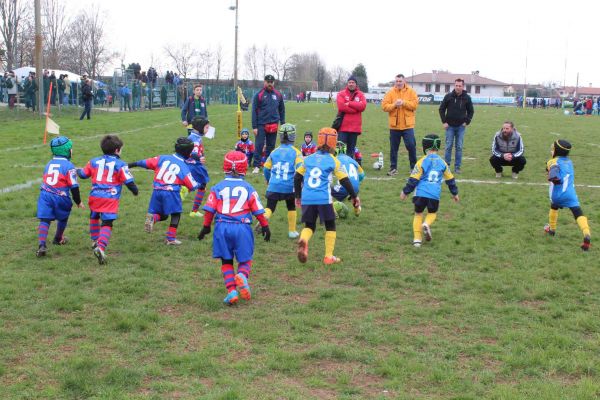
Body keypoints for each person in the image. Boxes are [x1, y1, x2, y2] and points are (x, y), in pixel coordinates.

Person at [197, 150, 271, 305]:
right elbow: (258, 210)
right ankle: (243, 276)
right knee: (245, 259)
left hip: (222, 226)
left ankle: (231, 291)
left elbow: (210, 210)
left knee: (226, 261)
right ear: (244, 167)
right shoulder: (249, 188)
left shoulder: (217, 187)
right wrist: (265, 226)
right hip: (242, 226)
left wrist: (205, 227)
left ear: (225, 166)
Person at [293, 128, 361, 265]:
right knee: (330, 226)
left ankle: (304, 240)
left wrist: (298, 197)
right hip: (323, 198)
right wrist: (354, 196)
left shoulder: (308, 159)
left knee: (309, 226)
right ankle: (328, 257)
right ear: (333, 143)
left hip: (307, 197)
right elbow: (345, 181)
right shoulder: (333, 160)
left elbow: (297, 177)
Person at [77, 135, 138, 264]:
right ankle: (101, 247)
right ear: (117, 150)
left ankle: (94, 241)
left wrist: (76, 170)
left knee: (94, 216)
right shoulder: (120, 164)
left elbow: (83, 175)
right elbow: (129, 180)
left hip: (95, 196)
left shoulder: (93, 161)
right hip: (109, 198)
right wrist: (134, 190)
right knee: (107, 223)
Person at [128, 138, 199, 245]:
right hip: (171, 192)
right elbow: (192, 185)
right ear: (189, 153)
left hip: (157, 191)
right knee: (176, 214)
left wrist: (130, 164)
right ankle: (170, 238)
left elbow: (145, 162)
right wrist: (199, 184)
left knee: (164, 215)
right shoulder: (183, 166)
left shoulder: (162, 158)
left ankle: (153, 218)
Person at [400, 134, 459, 247]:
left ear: (424, 146)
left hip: (420, 193)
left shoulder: (422, 161)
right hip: (434, 194)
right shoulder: (443, 163)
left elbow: (413, 179)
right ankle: (426, 223)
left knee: (418, 214)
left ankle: (417, 239)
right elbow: (450, 179)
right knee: (432, 213)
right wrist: (455, 193)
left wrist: (405, 192)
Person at [35, 136, 84, 257]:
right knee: (63, 217)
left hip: (45, 195)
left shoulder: (49, 164)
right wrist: (78, 201)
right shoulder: (69, 166)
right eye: (71, 148)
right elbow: (74, 186)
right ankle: (58, 238)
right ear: (67, 151)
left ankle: (42, 245)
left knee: (45, 219)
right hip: (61, 196)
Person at [544, 140, 591, 251]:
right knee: (578, 213)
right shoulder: (570, 162)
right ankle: (586, 234)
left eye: (553, 148)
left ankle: (552, 230)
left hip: (558, 194)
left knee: (554, 206)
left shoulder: (552, 161)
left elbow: (550, 170)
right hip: (571, 194)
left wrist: (552, 172)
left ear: (556, 150)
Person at [261, 123, 304, 239]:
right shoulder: (296, 152)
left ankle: (264, 218)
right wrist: (301, 183)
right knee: (291, 207)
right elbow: (300, 169)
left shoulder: (274, 152)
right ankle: (292, 231)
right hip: (289, 187)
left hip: (274, 185)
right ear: (293, 136)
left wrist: (268, 179)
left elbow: (266, 168)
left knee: (270, 207)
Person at [381, 74, 419, 175]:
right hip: (394, 126)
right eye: (397, 81)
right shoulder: (390, 92)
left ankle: (413, 168)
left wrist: (404, 103)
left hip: (408, 126)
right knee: (393, 148)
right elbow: (384, 106)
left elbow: (415, 105)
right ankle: (393, 168)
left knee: (411, 146)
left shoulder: (411, 92)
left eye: (400, 81)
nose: (398, 83)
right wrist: (394, 105)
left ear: (404, 81)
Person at [251, 74, 285, 173]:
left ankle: (268, 164)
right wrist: (254, 126)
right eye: (268, 82)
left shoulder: (278, 95)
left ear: (273, 83)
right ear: (264, 82)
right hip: (261, 124)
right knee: (259, 145)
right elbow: (254, 111)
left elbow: (282, 109)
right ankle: (256, 165)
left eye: (271, 82)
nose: (270, 84)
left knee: (271, 145)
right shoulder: (259, 95)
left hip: (274, 124)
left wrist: (282, 122)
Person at [439, 78, 474, 174]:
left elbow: (471, 111)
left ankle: (457, 167)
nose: (458, 87)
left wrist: (467, 121)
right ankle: (447, 166)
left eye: (460, 86)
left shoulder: (467, 98)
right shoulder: (448, 96)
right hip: (449, 126)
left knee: (459, 147)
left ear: (463, 86)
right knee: (448, 146)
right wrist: (444, 122)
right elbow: (441, 109)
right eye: (456, 85)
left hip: (461, 127)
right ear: (454, 86)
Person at [336, 75, 367, 160]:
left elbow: (363, 106)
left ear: (356, 84)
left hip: (354, 128)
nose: (351, 84)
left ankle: (349, 167)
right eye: (349, 82)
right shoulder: (341, 94)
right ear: (347, 83)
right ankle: (339, 167)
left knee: (351, 150)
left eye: (353, 82)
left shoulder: (360, 94)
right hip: (343, 127)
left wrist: (349, 103)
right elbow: (341, 107)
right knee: (340, 149)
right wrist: (356, 110)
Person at [185, 117, 211, 218]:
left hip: (194, 166)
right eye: (207, 128)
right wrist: (199, 157)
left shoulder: (195, 136)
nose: (208, 130)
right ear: (200, 127)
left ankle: (194, 210)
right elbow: (193, 152)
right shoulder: (194, 139)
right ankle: (194, 211)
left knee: (201, 186)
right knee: (201, 186)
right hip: (194, 167)